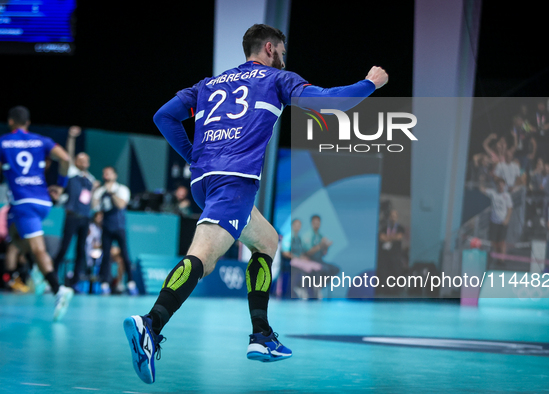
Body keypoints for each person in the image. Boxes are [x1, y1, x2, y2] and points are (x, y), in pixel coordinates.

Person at [123, 23, 388, 384]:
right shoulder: (276, 80)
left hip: (206, 182)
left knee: (268, 241)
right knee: (203, 257)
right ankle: (150, 325)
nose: (283, 58)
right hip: (235, 183)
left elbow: (164, 116)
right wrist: (370, 82)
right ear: (268, 48)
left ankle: (261, 335)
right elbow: (327, 102)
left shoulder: (207, 84)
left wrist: (194, 158)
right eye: (281, 50)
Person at [0, 106, 74, 320]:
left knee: (37, 248)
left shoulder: (4, 141)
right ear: (28, 123)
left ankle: (57, 287)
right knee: (14, 238)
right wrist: (60, 185)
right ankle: (33, 271)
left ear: (11, 122)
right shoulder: (41, 140)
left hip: (24, 202)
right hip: (42, 200)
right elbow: (66, 159)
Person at [52, 126, 98, 287]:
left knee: (81, 252)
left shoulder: (91, 179)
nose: (83, 162)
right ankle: (52, 278)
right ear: (77, 162)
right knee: (64, 248)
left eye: (86, 160)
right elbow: (68, 154)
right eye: (80, 159)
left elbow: (91, 200)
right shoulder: (72, 171)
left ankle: (74, 282)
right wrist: (71, 137)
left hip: (85, 219)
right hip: (72, 216)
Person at [92, 166, 136, 295]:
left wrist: (112, 193)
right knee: (105, 256)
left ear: (115, 175)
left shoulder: (122, 189)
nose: (106, 175)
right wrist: (95, 192)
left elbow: (121, 205)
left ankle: (131, 283)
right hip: (106, 227)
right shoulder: (100, 191)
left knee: (125, 255)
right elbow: (95, 207)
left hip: (119, 227)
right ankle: (105, 283)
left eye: (109, 173)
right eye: (104, 173)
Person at [479, 176, 513, 264]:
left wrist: (507, 219)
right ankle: (496, 257)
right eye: (499, 185)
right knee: (494, 241)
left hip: (503, 222)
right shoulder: (493, 193)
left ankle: (502, 259)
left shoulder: (507, 196)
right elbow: (482, 190)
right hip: (494, 221)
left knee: (502, 241)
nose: (500, 187)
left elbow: (509, 209)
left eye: (502, 185)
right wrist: (481, 181)